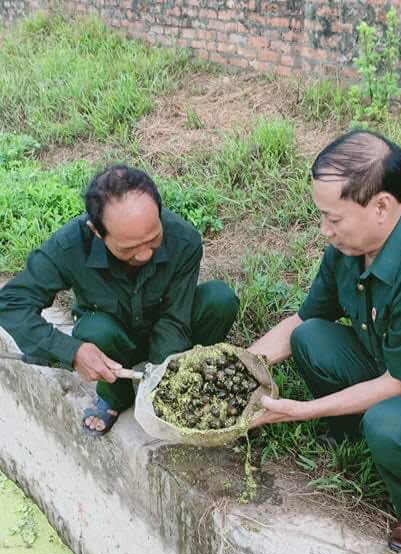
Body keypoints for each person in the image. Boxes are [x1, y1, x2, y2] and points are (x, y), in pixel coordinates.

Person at [249, 130, 401, 554]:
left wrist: (303, 412)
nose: (325, 230)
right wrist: (240, 367)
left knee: (389, 422)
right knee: (310, 337)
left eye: (334, 218)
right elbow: (306, 317)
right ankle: (356, 433)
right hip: (396, 365)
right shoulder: (349, 247)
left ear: (381, 206)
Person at [0, 164, 239, 435]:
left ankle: (182, 376)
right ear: (97, 231)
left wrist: (163, 381)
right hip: (112, 339)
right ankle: (115, 396)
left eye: (153, 240)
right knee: (95, 330)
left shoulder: (184, 239)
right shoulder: (69, 246)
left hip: (168, 327)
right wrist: (72, 352)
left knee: (220, 299)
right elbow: (11, 304)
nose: (144, 255)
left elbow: (174, 319)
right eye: (128, 248)